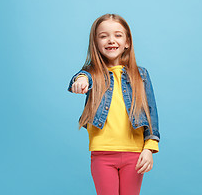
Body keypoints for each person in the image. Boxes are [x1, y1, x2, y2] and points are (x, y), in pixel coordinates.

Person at [67, 13, 160, 195]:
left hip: (134, 154)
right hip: (102, 154)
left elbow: (151, 113)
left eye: (118, 35)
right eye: (103, 36)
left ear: (127, 42)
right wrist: (80, 81)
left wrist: (149, 148)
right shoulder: (92, 74)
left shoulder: (141, 75)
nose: (111, 40)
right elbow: (80, 77)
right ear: (95, 42)